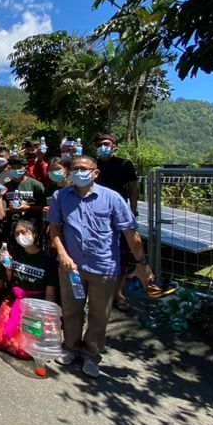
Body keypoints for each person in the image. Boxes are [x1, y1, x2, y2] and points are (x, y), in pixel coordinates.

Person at [48, 155, 154, 378]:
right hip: (71, 267)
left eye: (84, 169)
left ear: (95, 173)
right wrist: (62, 254)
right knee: (71, 310)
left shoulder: (112, 199)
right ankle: (71, 347)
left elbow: (130, 233)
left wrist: (142, 264)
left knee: (99, 315)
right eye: (75, 168)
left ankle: (91, 354)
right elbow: (55, 228)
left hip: (103, 267)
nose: (79, 172)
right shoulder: (60, 196)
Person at [0, 220, 57, 358]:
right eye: (17, 233)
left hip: (34, 308)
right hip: (12, 301)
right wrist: (8, 269)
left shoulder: (48, 261)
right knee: (0, 340)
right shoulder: (13, 253)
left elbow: (50, 293)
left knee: (25, 350)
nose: (20, 236)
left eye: (24, 232)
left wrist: (48, 319)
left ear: (34, 234)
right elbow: (9, 281)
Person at [93, 133, 140, 312]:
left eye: (106, 143)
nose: (102, 146)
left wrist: (132, 210)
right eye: (99, 144)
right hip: (97, 216)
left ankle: (119, 293)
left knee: (121, 255)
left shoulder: (124, 164)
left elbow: (133, 188)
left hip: (119, 216)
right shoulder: (92, 165)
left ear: (115, 146)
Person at [4, 155, 46, 242]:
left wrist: (27, 208)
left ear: (25, 168)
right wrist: (10, 209)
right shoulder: (6, 187)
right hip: (13, 227)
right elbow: (2, 210)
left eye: (19, 167)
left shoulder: (36, 185)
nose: (16, 170)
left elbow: (44, 208)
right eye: (13, 167)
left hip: (32, 226)